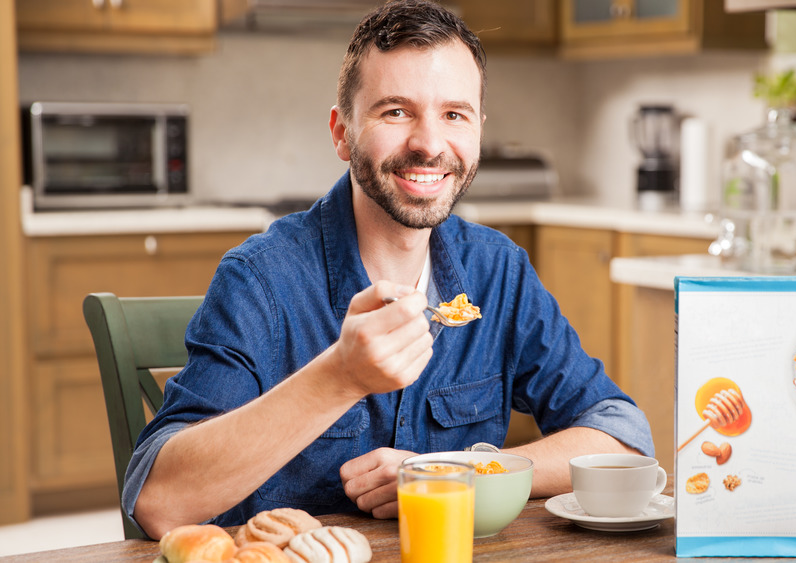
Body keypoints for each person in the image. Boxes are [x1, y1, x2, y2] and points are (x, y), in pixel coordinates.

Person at [124, 0, 654, 540]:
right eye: (396, 111)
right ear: (342, 132)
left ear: (478, 131)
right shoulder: (259, 280)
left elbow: (623, 436)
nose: (429, 143)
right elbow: (160, 504)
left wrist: (452, 473)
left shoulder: (498, 270)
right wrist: (341, 376)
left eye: (454, 114)